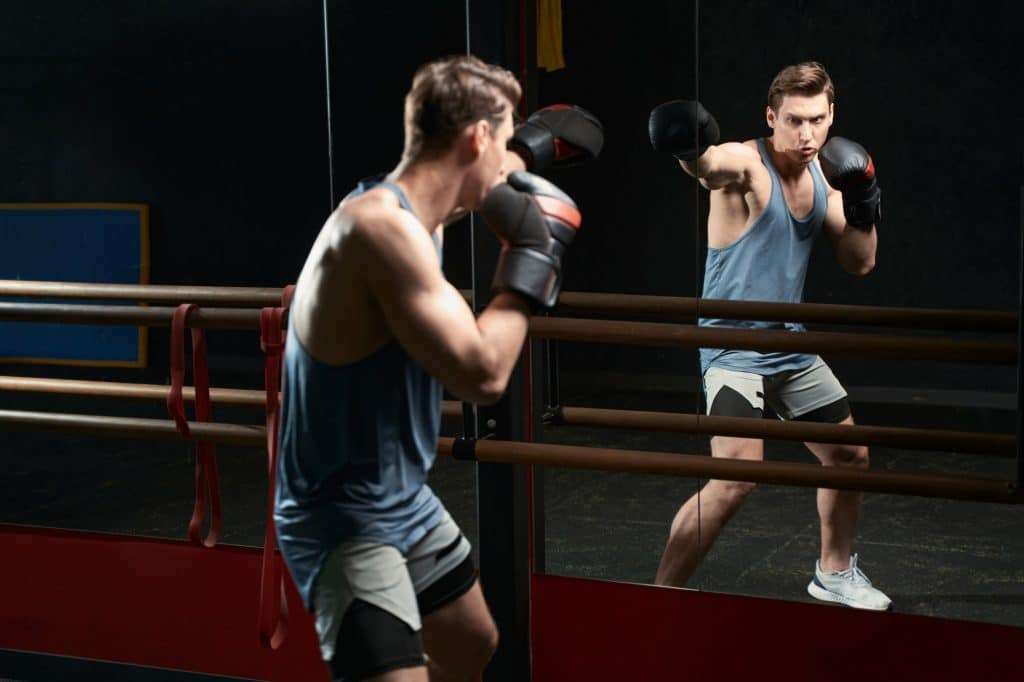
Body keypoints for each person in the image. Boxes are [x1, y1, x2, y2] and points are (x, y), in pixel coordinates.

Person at [274, 54, 599, 682]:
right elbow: (482, 376)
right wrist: (535, 259)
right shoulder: (378, 232)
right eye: (500, 141)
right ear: (476, 138)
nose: (505, 163)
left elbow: (483, 181)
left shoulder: (417, 207)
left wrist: (527, 149)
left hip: (403, 501)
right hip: (341, 516)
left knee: (471, 645)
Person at [648, 61, 890, 611]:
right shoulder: (747, 164)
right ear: (771, 117)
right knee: (735, 475)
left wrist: (866, 200)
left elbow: (861, 262)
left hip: (789, 346)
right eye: (794, 121)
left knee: (850, 456)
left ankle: (834, 573)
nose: (806, 135)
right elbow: (711, 166)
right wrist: (691, 149)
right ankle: (658, 599)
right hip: (733, 347)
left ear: (832, 117)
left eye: (817, 120)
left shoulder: (823, 180)